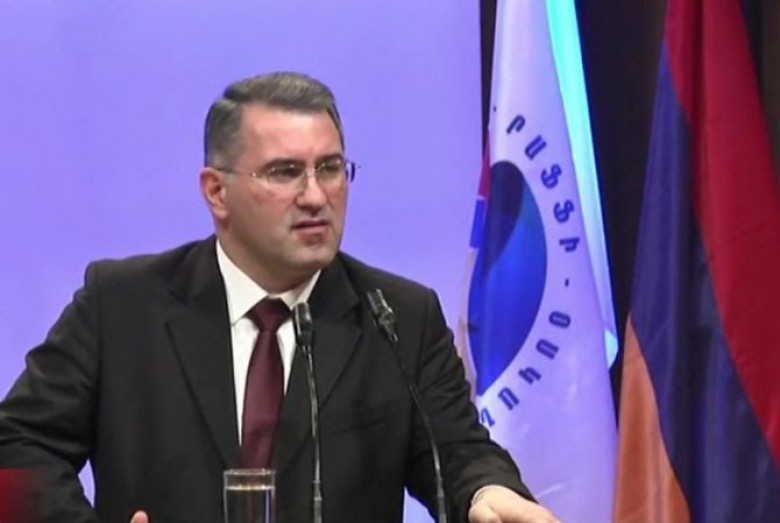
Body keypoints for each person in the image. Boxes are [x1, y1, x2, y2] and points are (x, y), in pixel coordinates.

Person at [0, 72, 560, 523]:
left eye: (330, 168)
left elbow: (458, 452)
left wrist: (486, 491)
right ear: (216, 192)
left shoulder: (397, 317)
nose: (315, 195)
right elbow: (16, 444)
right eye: (285, 172)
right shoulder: (122, 305)